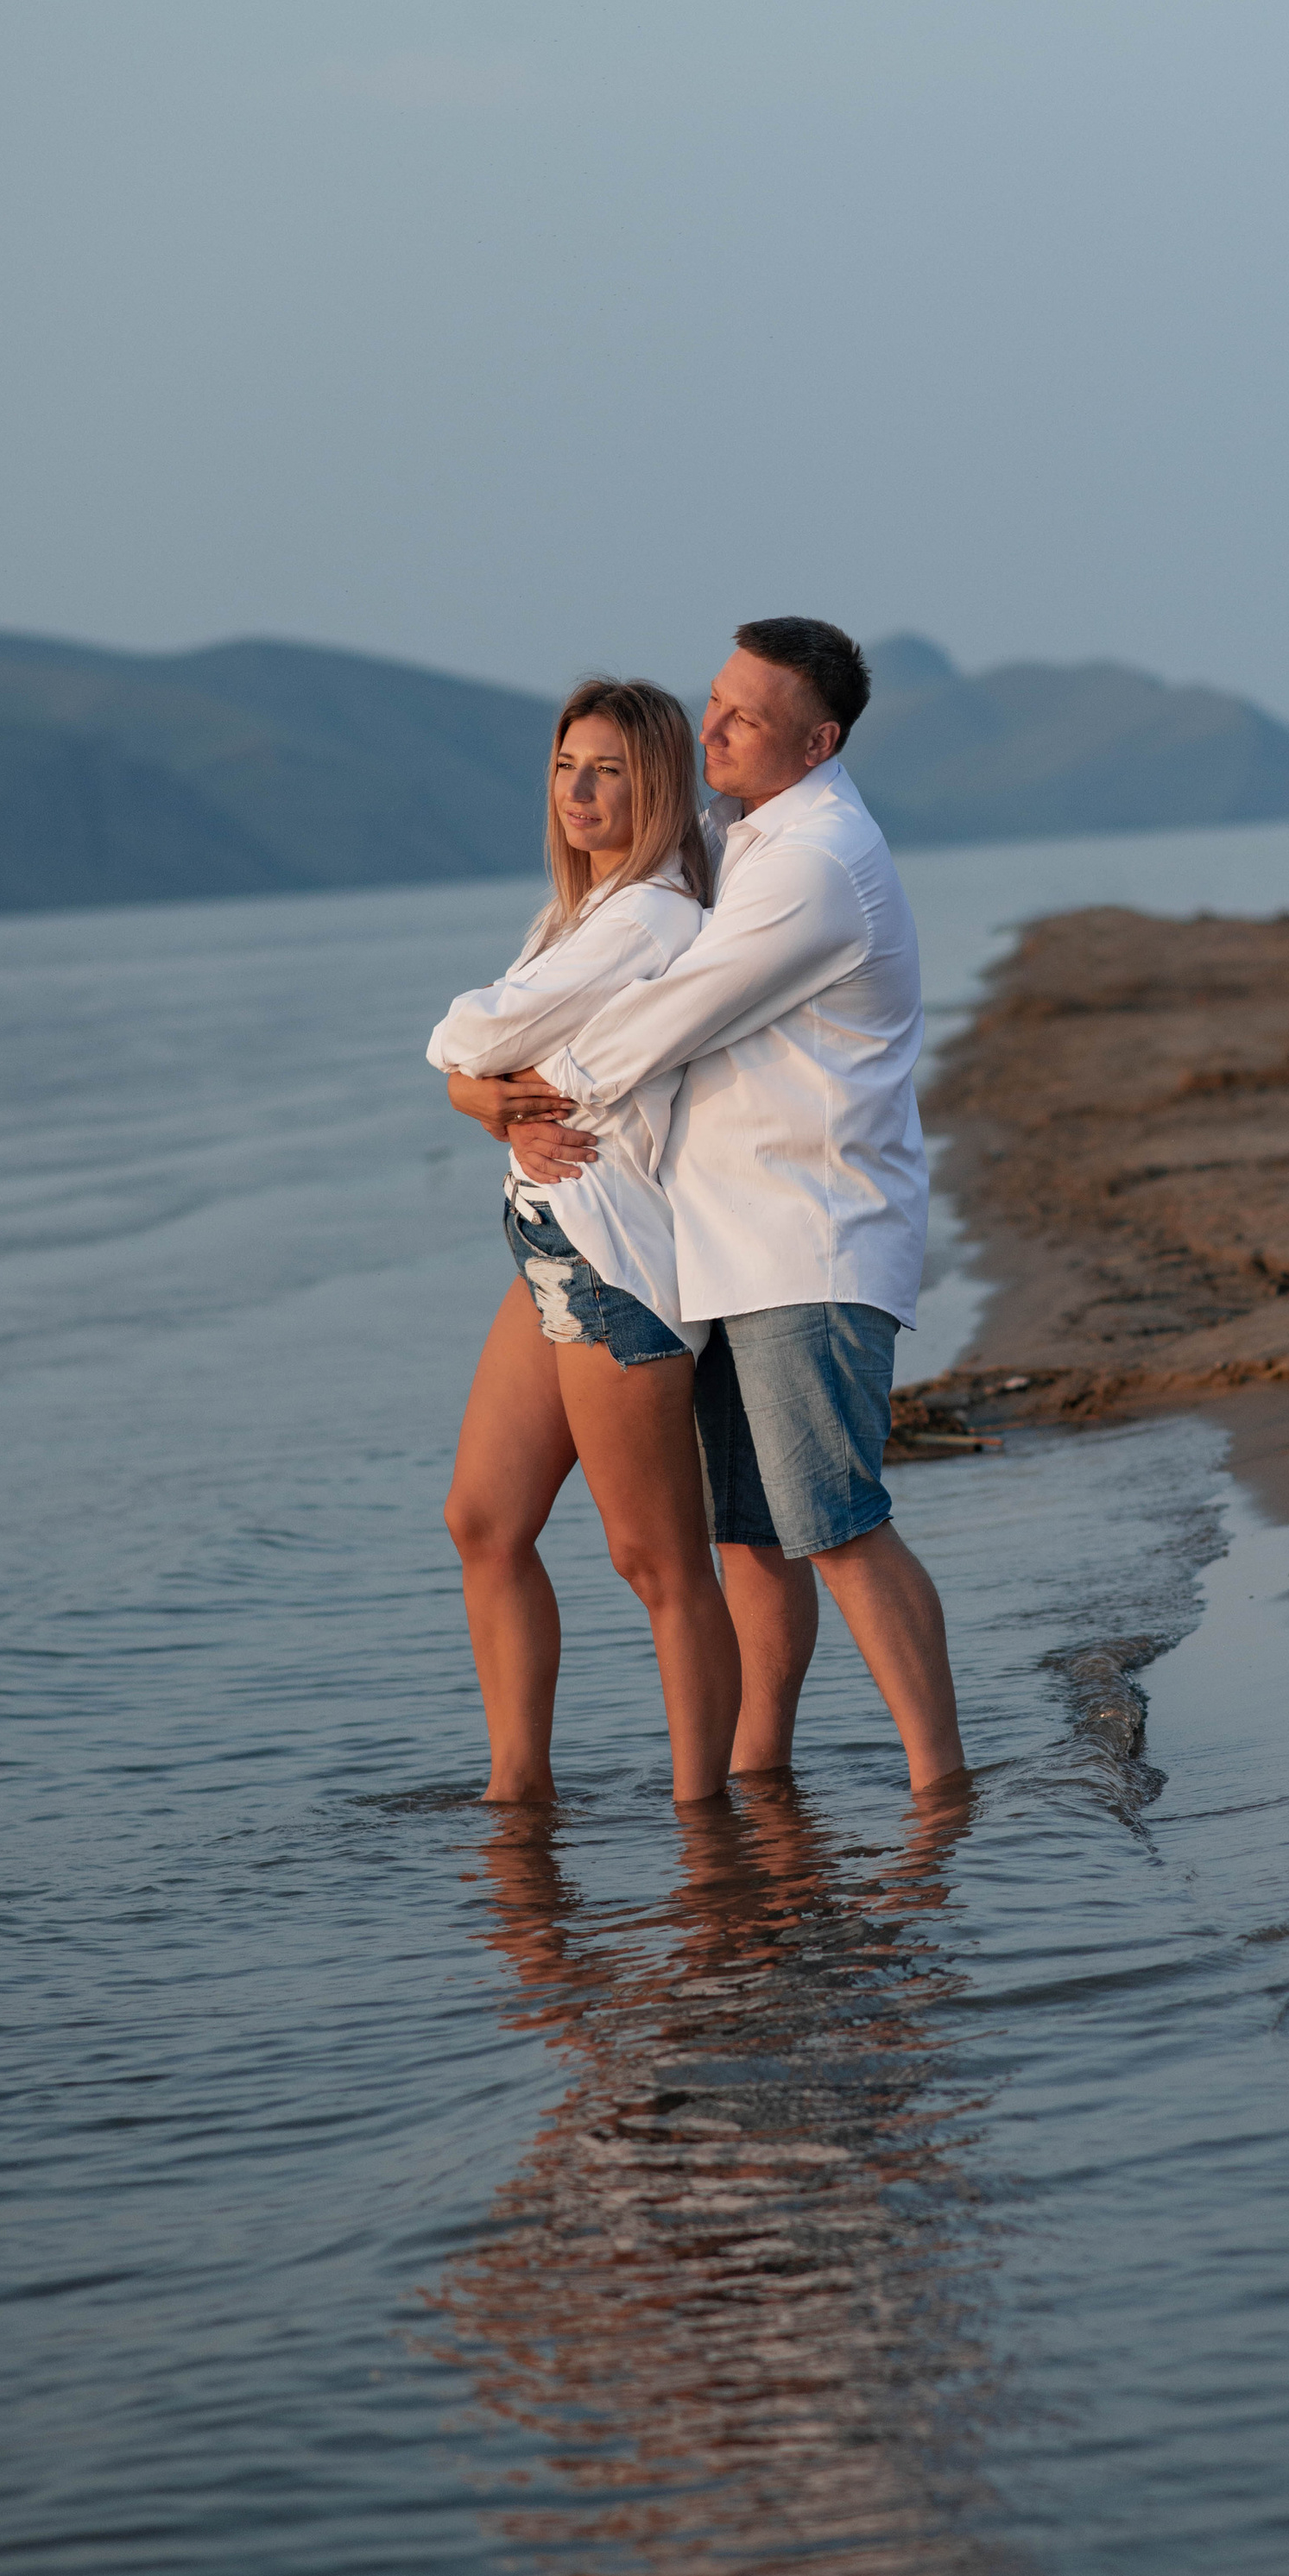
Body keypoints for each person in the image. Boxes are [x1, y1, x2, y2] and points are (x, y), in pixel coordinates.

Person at [459, 616, 967, 1796]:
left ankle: (943, 1790)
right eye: (719, 700)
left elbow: (667, 1017)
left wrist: (511, 1096)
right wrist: (479, 1089)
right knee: (751, 1536)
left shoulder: (811, 863)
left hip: (811, 1239)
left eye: (750, 713)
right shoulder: (739, 835)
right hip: (723, 1241)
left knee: (836, 1525)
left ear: (819, 739)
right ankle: (758, 1780)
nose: (718, 724)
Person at [427, 679, 741, 1808]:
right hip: (553, 1245)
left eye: (609, 769)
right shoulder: (582, 913)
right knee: (484, 1520)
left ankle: (708, 1818)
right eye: (567, 766)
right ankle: (519, 1797)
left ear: (656, 786)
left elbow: (467, 1034)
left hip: (617, 1265)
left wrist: (478, 1087)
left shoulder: (650, 915)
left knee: (658, 1564)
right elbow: (480, 1075)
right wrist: (488, 1103)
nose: (581, 790)